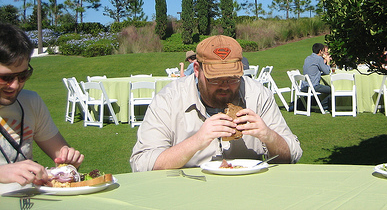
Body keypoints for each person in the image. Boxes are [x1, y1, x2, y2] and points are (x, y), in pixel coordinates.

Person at [130, 35, 302, 170]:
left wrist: (269, 136)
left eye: (233, 78)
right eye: (216, 79)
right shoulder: (169, 99)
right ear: (197, 70)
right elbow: (141, 163)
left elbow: (293, 154)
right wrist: (196, 141)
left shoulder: (258, 95)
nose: (225, 86)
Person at [0, 23, 84, 191]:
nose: (15, 85)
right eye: (6, 78)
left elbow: (61, 157)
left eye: (23, 75)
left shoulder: (31, 102)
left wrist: (69, 160)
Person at [302, 43, 332, 111]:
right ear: (320, 51)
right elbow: (327, 71)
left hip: (304, 85)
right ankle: (321, 106)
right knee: (333, 90)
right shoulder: (318, 59)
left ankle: (319, 104)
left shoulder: (307, 58)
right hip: (313, 86)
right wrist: (328, 62)